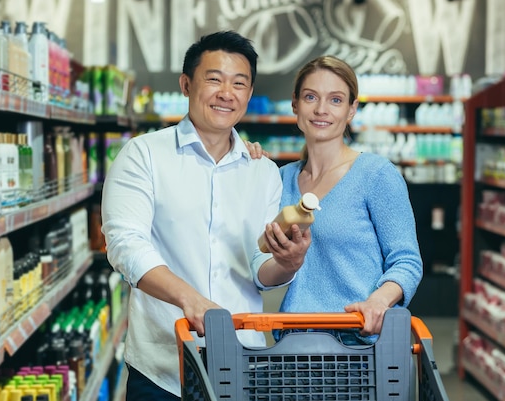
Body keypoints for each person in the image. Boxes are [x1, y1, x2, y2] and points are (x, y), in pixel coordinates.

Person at [101, 31, 311, 401]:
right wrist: (189, 299)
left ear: (248, 93)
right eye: (213, 79)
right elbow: (125, 245)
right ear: (186, 84)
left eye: (239, 83)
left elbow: (261, 268)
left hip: (243, 359)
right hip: (163, 368)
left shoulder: (261, 171)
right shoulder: (143, 155)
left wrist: (288, 264)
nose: (226, 92)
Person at [260, 55, 423, 344]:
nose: (321, 109)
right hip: (293, 345)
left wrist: (379, 301)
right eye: (311, 97)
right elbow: (262, 257)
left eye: (335, 100)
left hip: (359, 347)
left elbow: (407, 261)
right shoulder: (279, 179)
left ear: (351, 110)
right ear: (295, 104)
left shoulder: (376, 174)